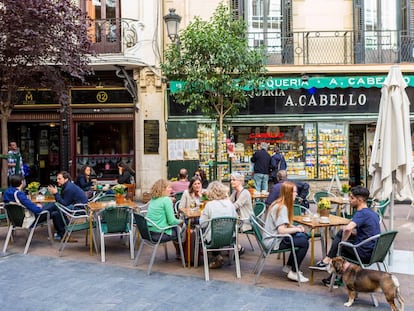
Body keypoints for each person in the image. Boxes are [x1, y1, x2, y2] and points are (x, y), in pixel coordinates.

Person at [309, 185, 381, 288]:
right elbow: (368, 232)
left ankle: (329, 266)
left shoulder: (361, 213)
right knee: (340, 234)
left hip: (363, 253)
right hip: (374, 251)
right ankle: (328, 265)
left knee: (340, 248)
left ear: (359, 200)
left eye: (352, 198)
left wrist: (342, 242)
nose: (349, 200)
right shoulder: (372, 212)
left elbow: (348, 228)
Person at [263, 181, 310, 282]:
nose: (296, 194)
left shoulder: (278, 203)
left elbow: (283, 224)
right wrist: (297, 229)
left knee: (303, 236)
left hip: (272, 238)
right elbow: (281, 230)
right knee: (304, 242)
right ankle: (293, 271)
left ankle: (289, 266)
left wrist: (295, 227)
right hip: (273, 241)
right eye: (294, 192)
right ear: (289, 193)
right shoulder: (282, 207)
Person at [200, 181, 238, 269]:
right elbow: (235, 219)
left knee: (201, 231)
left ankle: (214, 257)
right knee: (215, 231)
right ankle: (218, 257)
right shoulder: (230, 204)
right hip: (230, 237)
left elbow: (203, 224)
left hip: (214, 237)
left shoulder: (209, 205)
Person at [146, 179, 184, 259]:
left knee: (177, 228)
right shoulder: (166, 200)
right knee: (182, 229)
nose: (171, 189)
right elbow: (172, 221)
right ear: (163, 189)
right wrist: (182, 221)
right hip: (160, 233)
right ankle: (183, 254)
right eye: (169, 187)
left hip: (149, 232)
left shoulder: (154, 199)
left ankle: (179, 253)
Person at [44, 171, 88, 241]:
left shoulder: (68, 188)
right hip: (75, 206)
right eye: (57, 179)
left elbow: (64, 203)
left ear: (66, 179)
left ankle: (41, 212)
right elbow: (62, 201)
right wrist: (55, 194)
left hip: (80, 209)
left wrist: (55, 193)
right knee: (55, 213)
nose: (57, 180)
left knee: (57, 207)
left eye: (59, 179)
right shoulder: (66, 186)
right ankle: (62, 234)